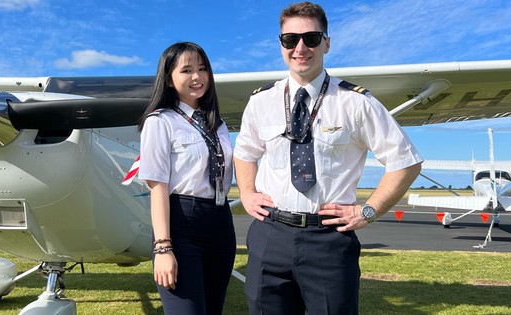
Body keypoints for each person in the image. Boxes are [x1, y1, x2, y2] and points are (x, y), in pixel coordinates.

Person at [233, 2, 423, 314]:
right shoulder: (260, 101)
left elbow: (405, 161)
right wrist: (247, 191)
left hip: (328, 239)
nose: (300, 48)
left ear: (327, 43)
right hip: (270, 233)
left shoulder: (356, 102)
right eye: (289, 39)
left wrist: (368, 211)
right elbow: (245, 153)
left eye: (311, 38)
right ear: (280, 44)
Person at [138, 42, 236, 314]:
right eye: (187, 70)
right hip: (183, 225)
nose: (197, 77)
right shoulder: (160, 122)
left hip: (220, 223)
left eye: (203, 69)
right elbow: (158, 186)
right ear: (169, 79)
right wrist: (163, 248)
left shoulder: (217, 124)